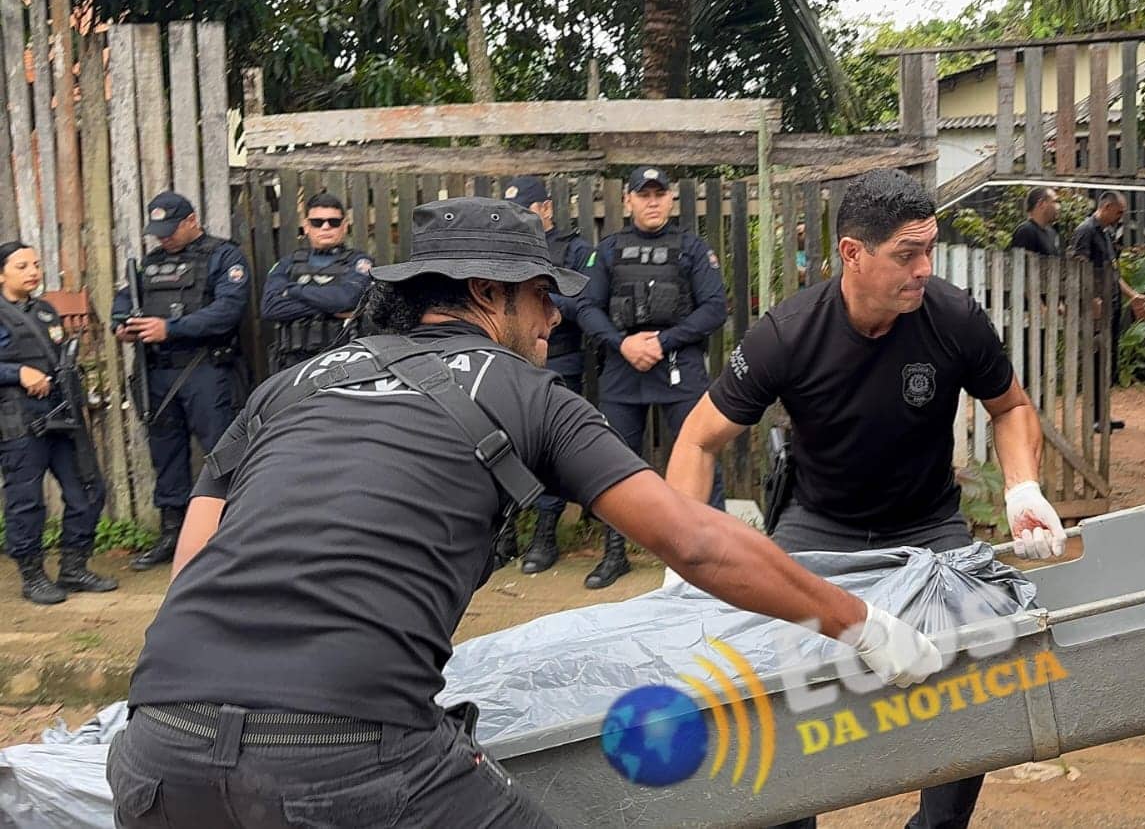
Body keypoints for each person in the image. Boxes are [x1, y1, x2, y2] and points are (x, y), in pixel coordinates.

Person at [108, 198, 942, 828]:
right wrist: (862, 623)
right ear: (486, 293)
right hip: (350, 755)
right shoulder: (522, 392)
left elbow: (195, 566)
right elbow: (694, 540)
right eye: (543, 296)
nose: (554, 317)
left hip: (154, 751)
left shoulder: (288, 387)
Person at [665, 168, 1074, 829]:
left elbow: (1011, 406)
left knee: (978, 659)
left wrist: (1022, 486)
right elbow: (697, 438)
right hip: (818, 524)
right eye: (907, 254)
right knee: (768, 672)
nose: (925, 268)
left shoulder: (952, 317)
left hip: (928, 523)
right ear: (852, 253)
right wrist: (683, 554)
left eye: (929, 250)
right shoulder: (788, 333)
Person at [575, 166, 729, 589]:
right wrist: (622, 344)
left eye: (660, 194)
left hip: (679, 363)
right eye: (644, 195)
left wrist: (663, 341)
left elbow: (714, 308)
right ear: (628, 200)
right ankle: (615, 552)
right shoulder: (608, 251)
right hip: (623, 366)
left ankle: (715, 552)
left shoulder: (692, 249)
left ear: (671, 198)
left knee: (700, 453)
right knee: (613, 463)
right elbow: (587, 308)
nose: (653, 202)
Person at [112, 191, 249, 571]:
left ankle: (231, 535)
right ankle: (172, 534)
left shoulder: (224, 256)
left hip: (206, 370)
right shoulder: (150, 263)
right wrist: (121, 326)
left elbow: (227, 311)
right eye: (158, 232)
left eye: (170, 229)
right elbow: (122, 303)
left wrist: (170, 328)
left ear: (192, 221)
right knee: (166, 454)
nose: (163, 237)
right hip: (158, 371)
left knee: (222, 453)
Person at [0, 243, 117, 604]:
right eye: (22, 266)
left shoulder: (46, 311)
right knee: (26, 501)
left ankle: (74, 567)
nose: (33, 271)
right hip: (19, 421)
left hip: (62, 415)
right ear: (2, 274)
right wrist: (17, 372)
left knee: (88, 487)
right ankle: (32, 575)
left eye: (36, 264)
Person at [501, 175, 595, 574]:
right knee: (505, 445)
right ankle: (505, 533)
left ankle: (545, 532)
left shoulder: (574, 249)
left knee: (552, 448)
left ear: (546, 209)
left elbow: (583, 302)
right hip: (511, 360)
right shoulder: (504, 251)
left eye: (525, 211)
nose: (518, 220)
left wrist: (534, 294)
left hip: (560, 361)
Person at [259, 192, 373, 373]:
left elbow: (348, 300)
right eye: (317, 222)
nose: (326, 227)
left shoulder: (359, 262)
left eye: (333, 222)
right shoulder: (288, 264)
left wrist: (294, 291)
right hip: (292, 365)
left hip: (344, 363)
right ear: (306, 227)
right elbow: (270, 307)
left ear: (344, 226)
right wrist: (332, 308)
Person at [1068, 190, 1145, 432]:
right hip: (1095, 309)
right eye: (1118, 212)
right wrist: (1091, 298)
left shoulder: (1107, 232)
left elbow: (1113, 273)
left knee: (1108, 361)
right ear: (1106, 207)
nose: (1121, 217)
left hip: (1110, 305)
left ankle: (1103, 413)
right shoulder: (1085, 231)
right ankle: (1094, 417)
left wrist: (1132, 296)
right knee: (1096, 360)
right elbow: (1078, 266)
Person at [1008, 186, 1061, 256]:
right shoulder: (1025, 231)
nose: (1058, 207)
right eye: (1054, 202)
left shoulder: (1051, 232)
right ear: (1041, 204)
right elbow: (1020, 260)